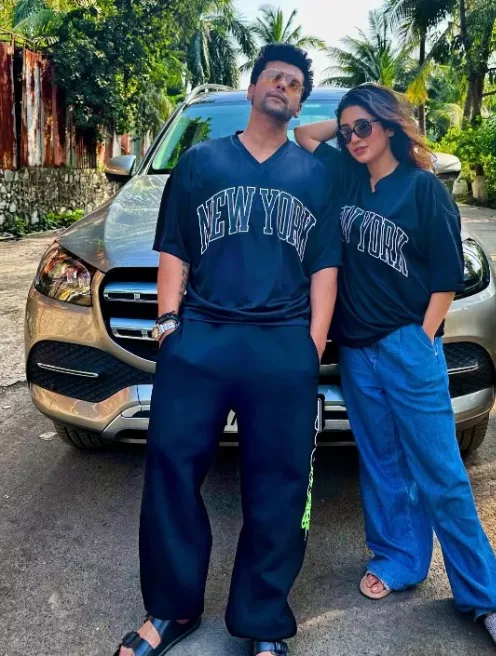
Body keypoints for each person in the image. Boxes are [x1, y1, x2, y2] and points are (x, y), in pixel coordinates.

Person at [113, 44, 341, 656]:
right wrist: (168, 326)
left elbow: (324, 267)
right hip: (202, 340)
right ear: (252, 87)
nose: (283, 87)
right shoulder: (200, 162)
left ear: (299, 101)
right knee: (171, 471)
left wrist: (312, 346)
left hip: (282, 345)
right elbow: (174, 249)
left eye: (295, 84)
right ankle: (171, 610)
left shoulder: (315, 174)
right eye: (275, 77)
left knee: (280, 485)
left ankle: (262, 622)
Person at [294, 83, 496, 656]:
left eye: (364, 127)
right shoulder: (348, 177)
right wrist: (344, 124)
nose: (353, 138)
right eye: (347, 130)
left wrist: (422, 336)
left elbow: (445, 274)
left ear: (390, 126)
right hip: (357, 352)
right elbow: (303, 135)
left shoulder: (424, 189)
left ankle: (490, 600)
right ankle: (398, 559)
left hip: (407, 344)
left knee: (442, 472)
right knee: (382, 464)